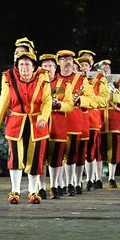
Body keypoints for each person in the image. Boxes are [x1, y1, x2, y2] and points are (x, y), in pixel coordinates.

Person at [0, 50, 51, 205]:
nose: (24, 67)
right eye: (21, 64)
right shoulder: (9, 79)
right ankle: (14, 191)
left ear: (34, 66)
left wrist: (43, 117)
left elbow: (47, 101)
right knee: (15, 158)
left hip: (37, 125)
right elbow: (3, 104)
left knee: (35, 160)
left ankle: (33, 191)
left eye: (27, 64)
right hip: (15, 124)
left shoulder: (43, 78)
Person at [43, 51, 73, 199]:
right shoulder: (37, 82)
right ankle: (40, 187)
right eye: (44, 66)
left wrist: (59, 104)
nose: (48, 69)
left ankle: (54, 186)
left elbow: (69, 105)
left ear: (56, 68)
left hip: (58, 126)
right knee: (40, 158)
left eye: (50, 66)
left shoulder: (63, 84)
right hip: (41, 126)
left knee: (56, 158)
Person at [77, 49, 106, 191]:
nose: (83, 67)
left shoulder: (99, 78)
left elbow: (102, 99)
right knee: (75, 152)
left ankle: (90, 180)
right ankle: (74, 182)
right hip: (76, 120)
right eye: (81, 64)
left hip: (92, 120)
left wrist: (88, 99)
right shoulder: (72, 79)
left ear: (91, 66)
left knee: (91, 152)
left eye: (86, 64)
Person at [97, 58, 120, 187]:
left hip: (114, 118)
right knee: (97, 149)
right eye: (103, 67)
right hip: (98, 118)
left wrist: (111, 96)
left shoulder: (117, 81)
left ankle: (111, 178)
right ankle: (97, 178)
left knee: (114, 149)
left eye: (107, 68)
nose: (106, 69)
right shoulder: (95, 82)